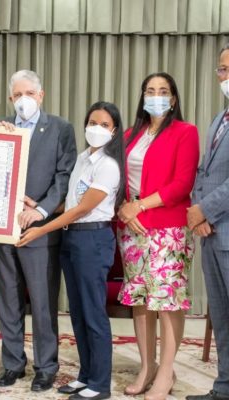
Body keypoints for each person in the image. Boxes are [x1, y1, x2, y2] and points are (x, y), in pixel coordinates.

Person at [17, 101, 125, 400]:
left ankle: (100, 384)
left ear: (114, 130)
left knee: (93, 314)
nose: (97, 129)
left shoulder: (109, 165)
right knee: (77, 313)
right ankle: (85, 376)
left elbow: (82, 210)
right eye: (92, 122)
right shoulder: (82, 158)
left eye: (104, 125)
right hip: (72, 240)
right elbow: (69, 202)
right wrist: (38, 208)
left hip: (93, 240)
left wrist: (41, 228)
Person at [0, 70, 77, 392]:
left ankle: (46, 366)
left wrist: (39, 210)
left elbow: (63, 177)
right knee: (8, 300)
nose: (23, 99)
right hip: (4, 230)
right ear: (11, 98)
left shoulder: (60, 129)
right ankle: (13, 363)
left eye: (29, 93)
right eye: (17, 95)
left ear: (41, 95)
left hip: (40, 229)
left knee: (42, 302)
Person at [117, 72, 199, 400]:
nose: (156, 96)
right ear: (142, 96)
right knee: (141, 303)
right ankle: (147, 366)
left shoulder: (185, 132)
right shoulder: (128, 135)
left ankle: (166, 372)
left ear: (174, 99)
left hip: (169, 228)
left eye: (163, 91)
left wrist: (138, 205)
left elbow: (182, 184)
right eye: (150, 90)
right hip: (133, 231)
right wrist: (125, 206)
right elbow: (118, 179)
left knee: (166, 302)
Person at [186, 44, 229, 400]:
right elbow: (204, 171)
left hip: (224, 228)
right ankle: (224, 387)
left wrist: (205, 210)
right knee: (222, 319)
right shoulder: (219, 119)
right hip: (211, 235)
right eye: (221, 70)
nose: (225, 76)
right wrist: (198, 211)